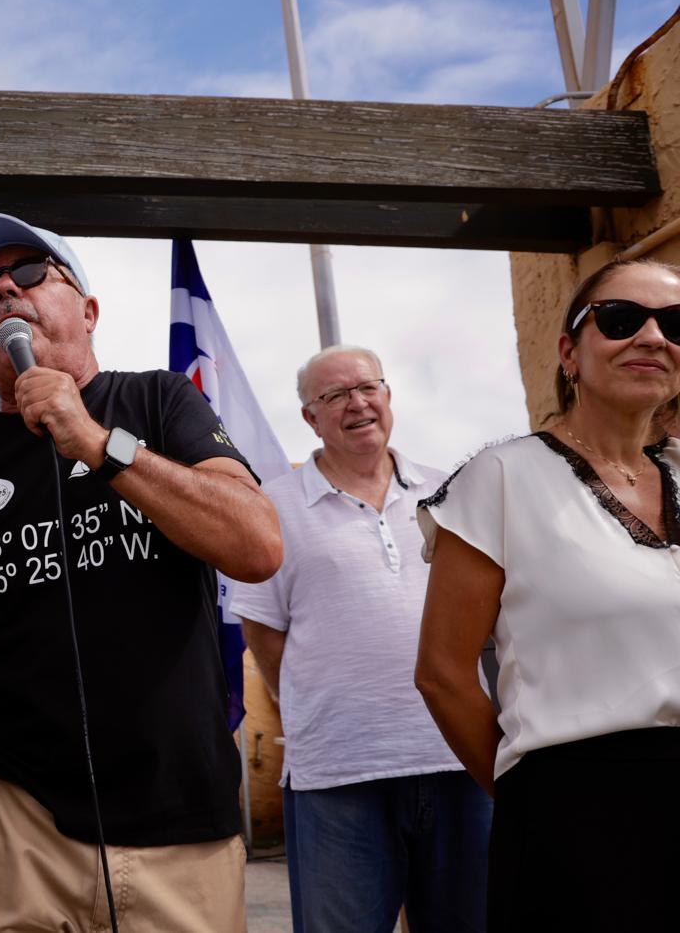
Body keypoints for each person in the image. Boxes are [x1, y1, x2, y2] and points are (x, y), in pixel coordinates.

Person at [0, 212, 283, 933]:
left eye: (31, 273)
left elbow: (256, 543)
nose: (3, 289)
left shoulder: (157, 402)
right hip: (16, 825)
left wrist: (98, 444)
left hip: (179, 822)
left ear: (88, 312)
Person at [416, 258, 680, 932]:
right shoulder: (500, 478)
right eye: (621, 320)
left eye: (675, 325)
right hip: (577, 822)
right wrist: (532, 794)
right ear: (568, 351)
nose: (652, 337)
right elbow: (443, 675)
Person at [228, 346, 490, 932]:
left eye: (367, 387)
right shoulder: (273, 505)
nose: (357, 403)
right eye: (334, 395)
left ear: (388, 396)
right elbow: (264, 634)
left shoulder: (452, 492)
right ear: (309, 418)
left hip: (461, 758)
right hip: (337, 774)